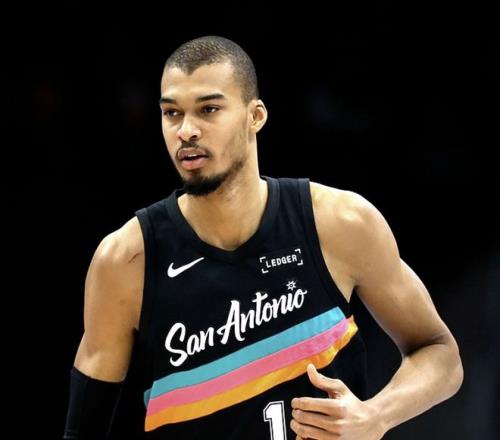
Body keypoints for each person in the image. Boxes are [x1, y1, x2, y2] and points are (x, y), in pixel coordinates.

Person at [63, 35, 463, 439]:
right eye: (172, 113)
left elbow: (439, 352)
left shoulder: (338, 222)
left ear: (255, 116)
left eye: (209, 109)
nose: (186, 130)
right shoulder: (126, 261)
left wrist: (376, 415)